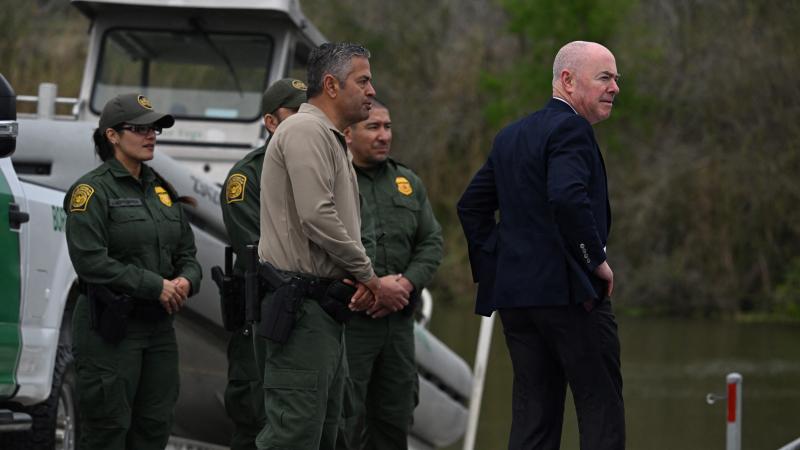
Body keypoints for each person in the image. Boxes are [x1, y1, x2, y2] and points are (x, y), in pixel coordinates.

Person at [457, 41, 625, 450]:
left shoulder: (511, 135)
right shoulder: (571, 128)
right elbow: (566, 197)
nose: (616, 87)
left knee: (534, 416)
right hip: (572, 295)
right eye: (605, 77)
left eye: (616, 78)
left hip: (519, 302)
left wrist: (503, 268)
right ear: (568, 80)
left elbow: (471, 207)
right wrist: (594, 260)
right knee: (600, 407)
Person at [256, 42, 382, 449]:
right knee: (294, 437)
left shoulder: (329, 137)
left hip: (325, 310)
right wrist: (368, 275)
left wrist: (356, 278)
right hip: (301, 311)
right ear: (331, 85)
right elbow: (317, 215)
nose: (372, 90)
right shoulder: (305, 131)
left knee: (324, 434)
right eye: (362, 80)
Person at [64, 93, 202, 450]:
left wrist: (186, 279)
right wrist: (154, 285)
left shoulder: (162, 191)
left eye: (154, 128)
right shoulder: (91, 191)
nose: (151, 135)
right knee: (107, 430)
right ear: (112, 135)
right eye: (140, 129)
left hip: (158, 329)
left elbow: (187, 253)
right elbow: (90, 261)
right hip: (111, 330)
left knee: (154, 428)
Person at [337, 101, 443, 449]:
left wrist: (407, 283)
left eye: (388, 127)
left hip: (397, 325)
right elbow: (320, 243)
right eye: (373, 127)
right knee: (342, 421)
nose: (384, 136)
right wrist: (372, 287)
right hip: (349, 324)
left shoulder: (406, 181)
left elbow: (431, 241)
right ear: (348, 133)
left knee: (394, 419)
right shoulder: (334, 179)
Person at [219, 78, 307, 450]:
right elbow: (259, 248)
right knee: (256, 417)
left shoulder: (322, 167)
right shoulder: (247, 177)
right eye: (298, 113)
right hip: (265, 317)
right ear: (272, 122)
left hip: (313, 315)